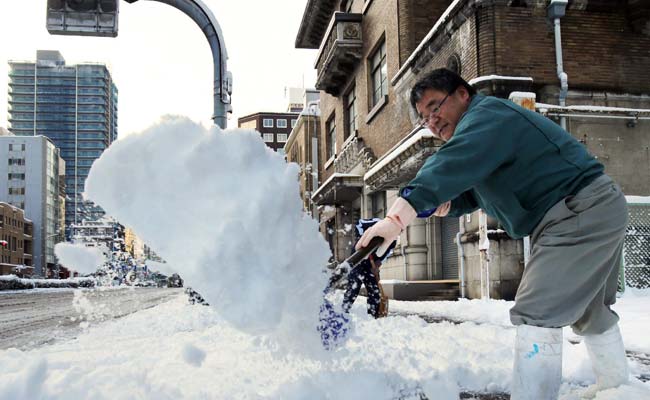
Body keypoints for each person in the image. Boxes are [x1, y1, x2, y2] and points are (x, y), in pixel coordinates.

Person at [357, 68, 629, 399]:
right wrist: (442, 204)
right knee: (590, 310)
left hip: (578, 209)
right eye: (424, 117)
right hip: (590, 208)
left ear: (462, 95)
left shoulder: (486, 117)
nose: (431, 120)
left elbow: (449, 164)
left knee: (536, 313)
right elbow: (474, 192)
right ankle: (617, 389)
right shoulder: (485, 135)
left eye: (435, 106)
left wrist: (396, 218)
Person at [342, 219, 394, 318]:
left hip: (371, 266)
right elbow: (359, 224)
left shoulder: (393, 240)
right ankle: (343, 312)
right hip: (357, 262)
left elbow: (387, 253)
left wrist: (378, 263)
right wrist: (366, 244)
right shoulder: (378, 223)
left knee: (374, 291)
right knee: (353, 290)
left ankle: (373, 316)